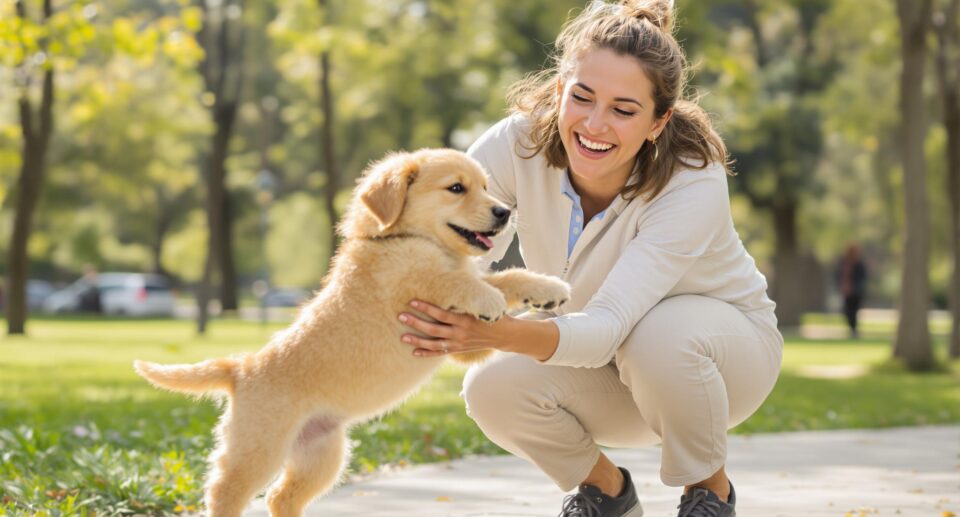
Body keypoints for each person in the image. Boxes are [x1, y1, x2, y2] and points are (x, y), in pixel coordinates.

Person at [397, 1, 783, 515]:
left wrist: (497, 331)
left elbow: (607, 325)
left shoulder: (692, 175)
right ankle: (606, 494)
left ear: (657, 121)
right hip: (609, 363)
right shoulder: (517, 144)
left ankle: (708, 494)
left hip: (723, 361)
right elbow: (436, 246)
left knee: (659, 335)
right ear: (560, 91)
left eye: (624, 110)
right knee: (491, 385)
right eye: (582, 98)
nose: (595, 125)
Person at [837, 243, 867, 339]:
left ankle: (854, 330)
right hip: (846, 291)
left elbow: (862, 278)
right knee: (847, 311)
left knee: (854, 311)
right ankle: (851, 328)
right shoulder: (844, 263)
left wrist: (855, 288)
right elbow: (839, 276)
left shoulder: (859, 264)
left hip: (856, 292)